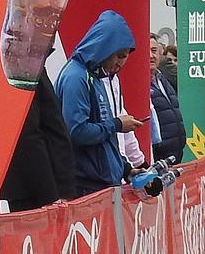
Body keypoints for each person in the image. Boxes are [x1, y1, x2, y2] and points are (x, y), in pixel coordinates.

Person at [54, 10, 144, 197]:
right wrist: (117, 124)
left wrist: (126, 169)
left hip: (99, 183)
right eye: (118, 55)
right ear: (103, 47)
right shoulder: (76, 78)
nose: (121, 63)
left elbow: (104, 140)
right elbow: (77, 131)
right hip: (84, 186)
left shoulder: (94, 78)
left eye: (125, 56)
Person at [0, 67, 75, 211]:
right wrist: (51, 195)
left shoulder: (30, 68)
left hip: (43, 187)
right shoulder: (22, 71)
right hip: (35, 190)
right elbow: (29, 137)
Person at [148, 33, 186, 164]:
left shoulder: (163, 79)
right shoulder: (139, 85)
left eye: (154, 51)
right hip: (157, 159)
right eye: (146, 51)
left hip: (175, 156)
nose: (151, 56)